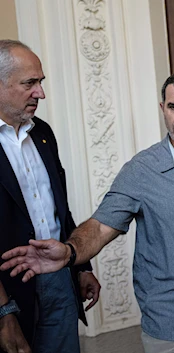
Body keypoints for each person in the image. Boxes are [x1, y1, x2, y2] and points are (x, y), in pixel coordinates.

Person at [1, 70, 174, 353]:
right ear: (163, 108)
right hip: (172, 323)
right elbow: (101, 226)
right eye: (173, 107)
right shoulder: (142, 170)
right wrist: (70, 251)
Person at [0, 40, 100, 353]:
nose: (40, 93)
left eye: (40, 82)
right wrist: (3, 312)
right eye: (30, 83)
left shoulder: (42, 132)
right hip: (10, 290)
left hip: (59, 278)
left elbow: (60, 208)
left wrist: (80, 265)